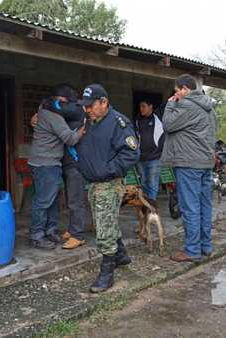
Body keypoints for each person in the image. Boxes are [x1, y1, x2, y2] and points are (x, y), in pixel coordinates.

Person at [76, 84, 140, 293]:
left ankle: (107, 270)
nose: (87, 110)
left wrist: (107, 171)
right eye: (85, 106)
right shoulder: (91, 120)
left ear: (104, 102)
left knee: (103, 226)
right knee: (106, 219)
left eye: (91, 105)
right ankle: (121, 254)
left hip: (108, 183)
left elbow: (131, 153)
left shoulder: (118, 123)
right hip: (93, 182)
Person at [160, 74, 217, 263]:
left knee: (190, 207)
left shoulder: (186, 105)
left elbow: (168, 124)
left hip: (188, 163)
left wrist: (170, 104)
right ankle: (205, 246)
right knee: (204, 205)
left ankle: (192, 250)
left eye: (177, 91)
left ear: (185, 89)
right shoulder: (209, 108)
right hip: (205, 162)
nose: (176, 95)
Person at [30, 85, 89, 250]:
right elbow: (69, 138)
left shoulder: (56, 111)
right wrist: (81, 131)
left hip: (63, 163)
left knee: (58, 200)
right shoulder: (52, 113)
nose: (65, 106)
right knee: (44, 200)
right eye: (63, 102)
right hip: (47, 163)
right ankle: (37, 234)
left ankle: (55, 231)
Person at [134, 99, 165, 206]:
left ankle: (151, 208)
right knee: (143, 183)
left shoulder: (158, 118)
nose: (141, 109)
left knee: (153, 184)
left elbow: (167, 105)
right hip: (141, 159)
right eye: (140, 106)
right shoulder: (137, 120)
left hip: (155, 158)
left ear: (150, 106)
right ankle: (146, 206)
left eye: (143, 106)